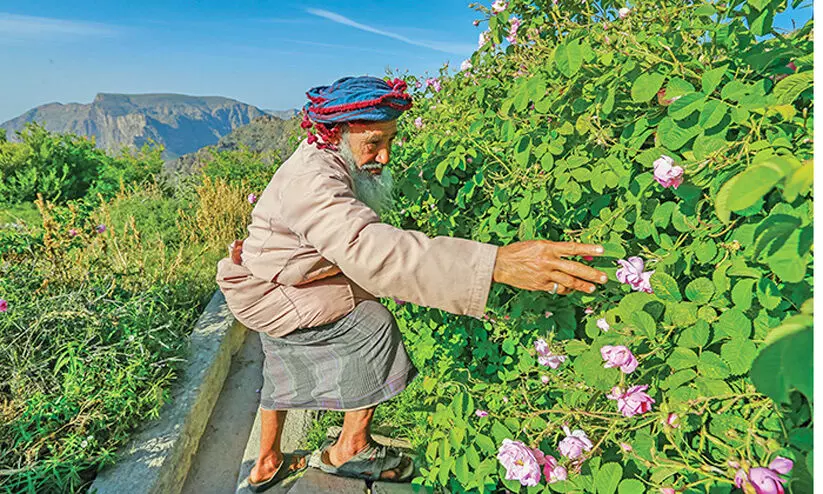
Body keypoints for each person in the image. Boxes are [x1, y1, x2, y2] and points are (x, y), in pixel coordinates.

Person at [215, 75, 607, 491]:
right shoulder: (313, 181)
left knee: (281, 367)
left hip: (274, 281)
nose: (384, 156)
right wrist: (495, 263)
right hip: (275, 293)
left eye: (390, 141)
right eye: (373, 143)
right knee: (372, 327)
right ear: (338, 132)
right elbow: (367, 246)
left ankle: (268, 461)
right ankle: (351, 446)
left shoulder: (322, 151)